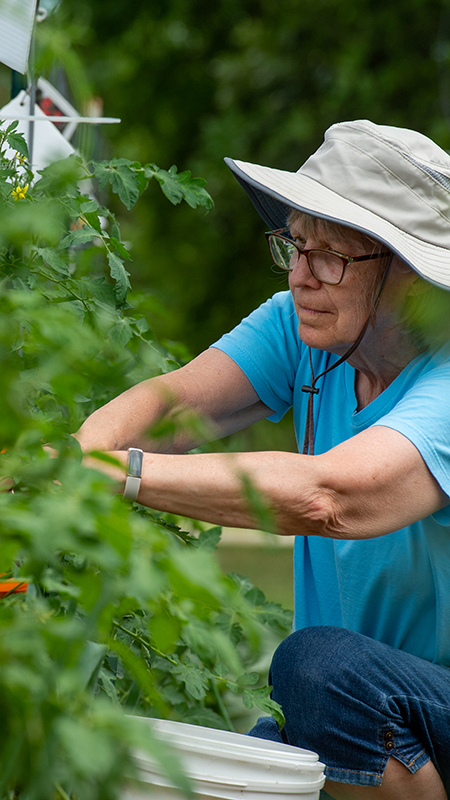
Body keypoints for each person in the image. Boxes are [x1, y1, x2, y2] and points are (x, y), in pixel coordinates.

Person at [75, 120, 450, 799]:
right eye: (296, 246)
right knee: (240, 769)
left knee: (317, 666)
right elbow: (172, 405)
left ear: (412, 279)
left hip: (421, 704)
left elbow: (329, 497)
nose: (302, 275)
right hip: (359, 710)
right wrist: (79, 455)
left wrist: (118, 476)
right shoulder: (303, 329)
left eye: (332, 256)